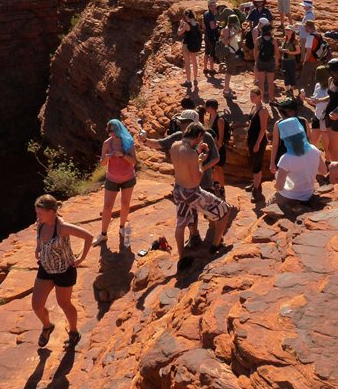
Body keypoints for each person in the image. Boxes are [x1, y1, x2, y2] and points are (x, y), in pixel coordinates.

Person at [141, 109, 220, 248]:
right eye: (181, 122)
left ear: (192, 123)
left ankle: (213, 236)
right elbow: (159, 144)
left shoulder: (206, 136)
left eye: (184, 122)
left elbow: (216, 158)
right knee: (190, 213)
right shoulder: (178, 136)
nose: (181, 124)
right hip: (186, 185)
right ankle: (194, 236)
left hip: (204, 180)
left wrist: (200, 167)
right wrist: (145, 140)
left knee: (210, 212)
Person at [32, 194, 93, 350]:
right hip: (46, 269)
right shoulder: (41, 223)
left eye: (40, 213)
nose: (37, 216)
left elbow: (89, 236)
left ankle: (73, 332)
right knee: (37, 306)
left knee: (64, 304)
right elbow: (40, 237)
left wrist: (80, 259)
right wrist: (38, 247)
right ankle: (47, 326)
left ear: (52, 211)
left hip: (64, 271)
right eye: (37, 213)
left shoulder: (63, 227)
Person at [169, 122, 233, 271]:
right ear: (198, 136)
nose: (200, 141)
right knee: (225, 211)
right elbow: (197, 178)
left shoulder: (174, 146)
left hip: (179, 190)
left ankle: (181, 257)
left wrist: (196, 154)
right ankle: (215, 245)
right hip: (193, 193)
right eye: (200, 138)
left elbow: (183, 165)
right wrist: (200, 161)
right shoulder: (191, 154)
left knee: (180, 224)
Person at [92, 119, 137, 248]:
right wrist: (107, 157)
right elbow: (102, 163)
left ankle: (122, 227)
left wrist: (122, 155)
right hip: (112, 178)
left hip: (128, 177)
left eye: (113, 130)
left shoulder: (128, 142)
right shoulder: (107, 143)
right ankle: (103, 233)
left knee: (125, 203)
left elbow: (134, 161)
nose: (110, 133)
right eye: (109, 130)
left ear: (119, 129)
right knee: (107, 207)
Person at [270, 117, 327, 207]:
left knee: (270, 202)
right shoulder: (314, 150)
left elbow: (279, 187)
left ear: (285, 139)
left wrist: (275, 186)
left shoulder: (286, 158)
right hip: (308, 194)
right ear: (302, 134)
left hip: (289, 196)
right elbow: (324, 171)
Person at [269, 97, 310, 175]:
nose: (281, 113)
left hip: (301, 157)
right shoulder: (278, 124)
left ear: (292, 111)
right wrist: (272, 162)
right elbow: (275, 144)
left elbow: (309, 140)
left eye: (283, 111)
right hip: (284, 158)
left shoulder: (304, 121)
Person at [246, 87, 269, 200]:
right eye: (251, 96)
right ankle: (256, 183)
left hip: (258, 140)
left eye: (254, 96)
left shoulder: (263, 110)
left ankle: (256, 191)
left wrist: (258, 143)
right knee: (253, 162)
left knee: (257, 164)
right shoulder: (253, 107)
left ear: (260, 96)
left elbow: (263, 128)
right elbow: (251, 123)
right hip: (251, 139)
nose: (251, 98)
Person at [204, 99, 229, 198]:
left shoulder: (220, 120)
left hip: (218, 148)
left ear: (210, 107)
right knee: (213, 169)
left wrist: (216, 151)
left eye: (207, 106)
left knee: (219, 168)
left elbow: (221, 138)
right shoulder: (211, 117)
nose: (206, 108)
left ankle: (222, 188)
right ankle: (216, 185)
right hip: (212, 148)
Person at [303, 65, 330, 151]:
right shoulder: (318, 85)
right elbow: (314, 101)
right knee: (313, 141)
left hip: (326, 118)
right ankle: (314, 160)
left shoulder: (332, 86)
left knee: (327, 144)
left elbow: (330, 98)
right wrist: (305, 98)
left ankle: (328, 160)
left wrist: (318, 100)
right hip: (317, 115)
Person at [177, 9, 202, 91]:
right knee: (194, 62)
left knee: (187, 63)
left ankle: (188, 81)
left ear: (187, 16)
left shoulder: (187, 24)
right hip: (194, 45)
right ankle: (195, 78)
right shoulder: (197, 23)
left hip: (187, 45)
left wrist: (180, 25)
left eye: (185, 16)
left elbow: (179, 33)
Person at [255, 23, 279, 103]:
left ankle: (260, 99)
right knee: (270, 82)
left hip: (261, 61)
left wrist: (256, 61)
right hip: (270, 61)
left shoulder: (258, 39)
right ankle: (272, 98)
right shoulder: (273, 40)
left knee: (261, 81)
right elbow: (276, 53)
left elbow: (255, 52)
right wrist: (276, 61)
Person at [220, 14, 242, 97]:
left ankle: (227, 88)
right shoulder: (226, 30)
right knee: (229, 71)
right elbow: (226, 42)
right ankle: (226, 91)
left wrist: (237, 33)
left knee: (230, 71)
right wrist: (234, 34)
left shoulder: (231, 28)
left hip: (233, 51)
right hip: (229, 52)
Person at [297, 19, 322, 91]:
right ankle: (313, 94)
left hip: (311, 60)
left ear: (308, 27)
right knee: (315, 78)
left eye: (305, 27)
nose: (305, 28)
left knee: (303, 78)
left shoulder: (310, 37)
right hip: (318, 60)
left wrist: (305, 61)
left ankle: (300, 95)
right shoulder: (319, 35)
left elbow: (308, 52)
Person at [280, 25, 301, 98]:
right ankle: (288, 91)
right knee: (285, 75)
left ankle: (295, 93)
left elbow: (298, 51)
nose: (287, 31)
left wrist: (289, 52)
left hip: (291, 61)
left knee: (292, 76)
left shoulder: (295, 41)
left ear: (292, 32)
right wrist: (281, 49)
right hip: (284, 60)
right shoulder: (284, 39)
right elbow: (282, 47)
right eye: (286, 30)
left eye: (288, 30)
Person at [203, 0, 220, 75]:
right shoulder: (211, 15)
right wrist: (218, 24)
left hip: (206, 35)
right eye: (214, 5)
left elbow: (203, 25)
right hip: (211, 36)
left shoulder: (205, 13)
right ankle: (212, 69)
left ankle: (205, 68)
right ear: (210, 6)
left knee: (206, 52)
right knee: (212, 53)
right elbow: (213, 26)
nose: (215, 6)